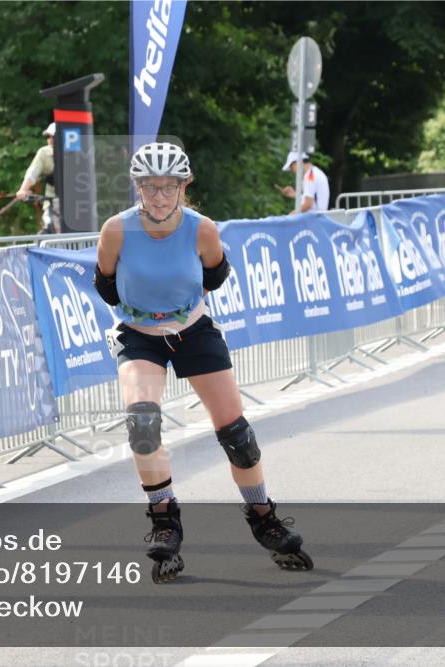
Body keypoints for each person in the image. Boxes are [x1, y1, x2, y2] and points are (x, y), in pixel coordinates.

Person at [93, 142, 311, 583]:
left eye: (167, 187)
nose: (157, 196)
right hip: (139, 337)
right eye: (149, 187)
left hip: (193, 332)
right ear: (137, 187)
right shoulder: (116, 231)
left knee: (237, 435)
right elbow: (107, 287)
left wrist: (176, 310)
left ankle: (263, 514)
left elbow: (215, 276)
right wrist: (149, 316)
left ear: (183, 186)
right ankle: (164, 520)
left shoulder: (202, 230)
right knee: (142, 425)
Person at [15, 122, 59, 233]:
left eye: (53, 136)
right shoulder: (44, 153)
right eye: (48, 136)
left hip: (75, 202)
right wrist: (23, 189)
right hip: (53, 202)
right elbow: (32, 172)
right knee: (51, 227)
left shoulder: (74, 151)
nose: (50, 139)